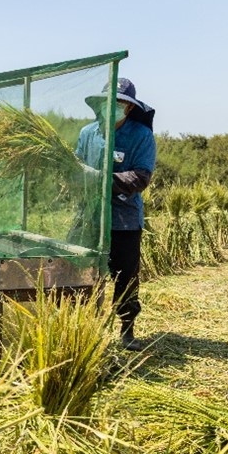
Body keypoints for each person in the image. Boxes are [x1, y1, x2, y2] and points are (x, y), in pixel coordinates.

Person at [77, 78, 156, 351]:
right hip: (90, 216)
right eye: (109, 102)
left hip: (124, 220)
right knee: (83, 272)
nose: (114, 108)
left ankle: (127, 330)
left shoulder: (141, 136)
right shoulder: (88, 133)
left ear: (130, 108)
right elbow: (76, 167)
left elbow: (141, 177)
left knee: (125, 277)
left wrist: (101, 179)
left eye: (120, 103)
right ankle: (84, 326)